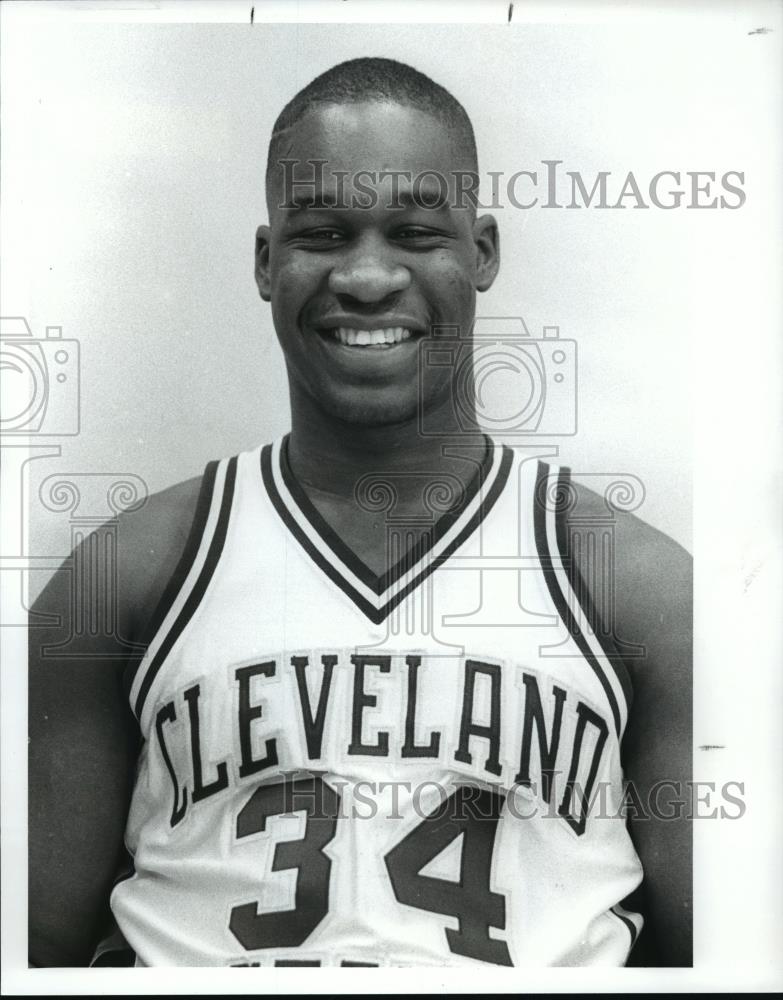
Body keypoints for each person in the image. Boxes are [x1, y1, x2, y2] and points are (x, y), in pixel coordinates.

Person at [28, 57, 692, 968]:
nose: (368, 277)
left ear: (482, 252)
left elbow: (726, 955)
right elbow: (32, 947)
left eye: (416, 232)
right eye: (323, 234)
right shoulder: (126, 576)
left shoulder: (640, 588)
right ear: (267, 262)